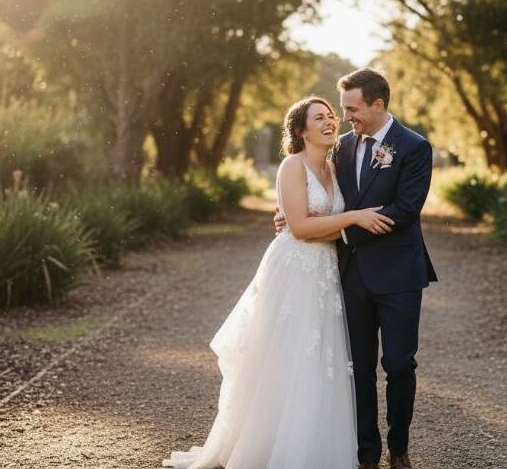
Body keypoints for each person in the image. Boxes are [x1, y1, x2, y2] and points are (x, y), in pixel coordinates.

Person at [162, 96, 395, 469]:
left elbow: (314, 225)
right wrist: (351, 218)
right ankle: (269, 446)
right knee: (285, 356)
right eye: (319, 117)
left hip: (326, 272)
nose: (330, 122)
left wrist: (332, 224)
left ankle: (312, 445)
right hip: (293, 271)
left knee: (322, 359)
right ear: (301, 130)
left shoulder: (337, 169)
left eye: (332, 116)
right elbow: (300, 228)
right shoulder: (291, 166)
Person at [275, 68, 437, 469]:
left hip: (399, 273)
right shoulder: (341, 148)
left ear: (378, 105)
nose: (344, 117)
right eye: (342, 108)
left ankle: (398, 447)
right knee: (357, 368)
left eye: (352, 108)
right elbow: (318, 199)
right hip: (349, 276)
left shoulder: (414, 147)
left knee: (399, 364)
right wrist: (292, 221)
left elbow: (404, 210)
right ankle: (366, 454)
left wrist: (341, 227)